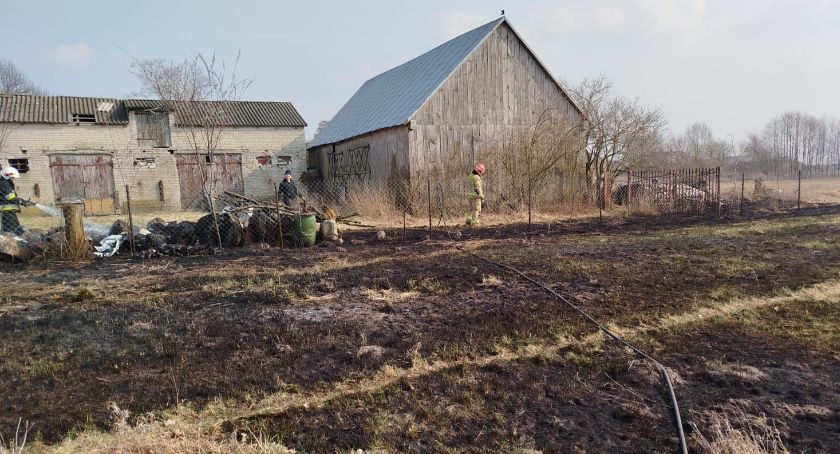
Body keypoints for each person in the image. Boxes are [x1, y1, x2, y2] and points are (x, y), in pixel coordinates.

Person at [0, 167, 33, 234]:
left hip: (9, 211)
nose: (13, 178)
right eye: (12, 177)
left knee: (15, 228)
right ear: (7, 176)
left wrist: (23, 201)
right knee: (11, 230)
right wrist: (22, 202)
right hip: (6, 211)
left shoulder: (6, 183)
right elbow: (10, 198)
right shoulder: (4, 184)